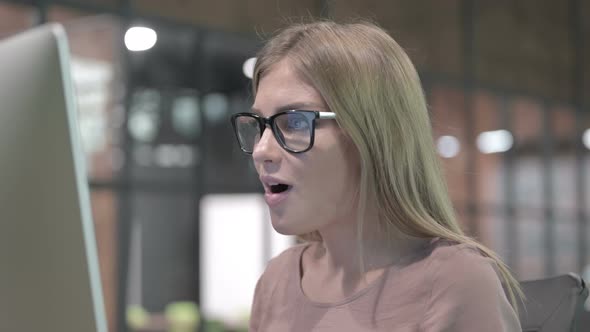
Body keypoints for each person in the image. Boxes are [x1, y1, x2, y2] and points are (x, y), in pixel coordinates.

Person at [230, 20, 523, 331]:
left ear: (372, 135)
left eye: (295, 122)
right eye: (259, 124)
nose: (262, 150)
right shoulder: (278, 281)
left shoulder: (453, 283)